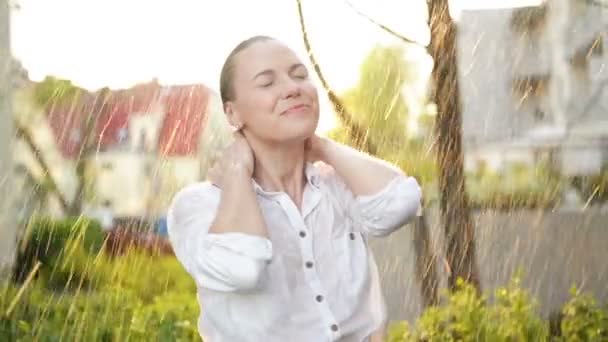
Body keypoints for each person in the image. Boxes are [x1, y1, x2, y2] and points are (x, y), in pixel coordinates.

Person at [167, 35, 422, 342]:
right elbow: (242, 267)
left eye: (299, 75)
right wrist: (237, 170)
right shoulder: (200, 205)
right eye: (266, 83)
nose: (292, 88)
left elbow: (402, 203)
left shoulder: (335, 186)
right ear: (232, 113)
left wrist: (323, 147)